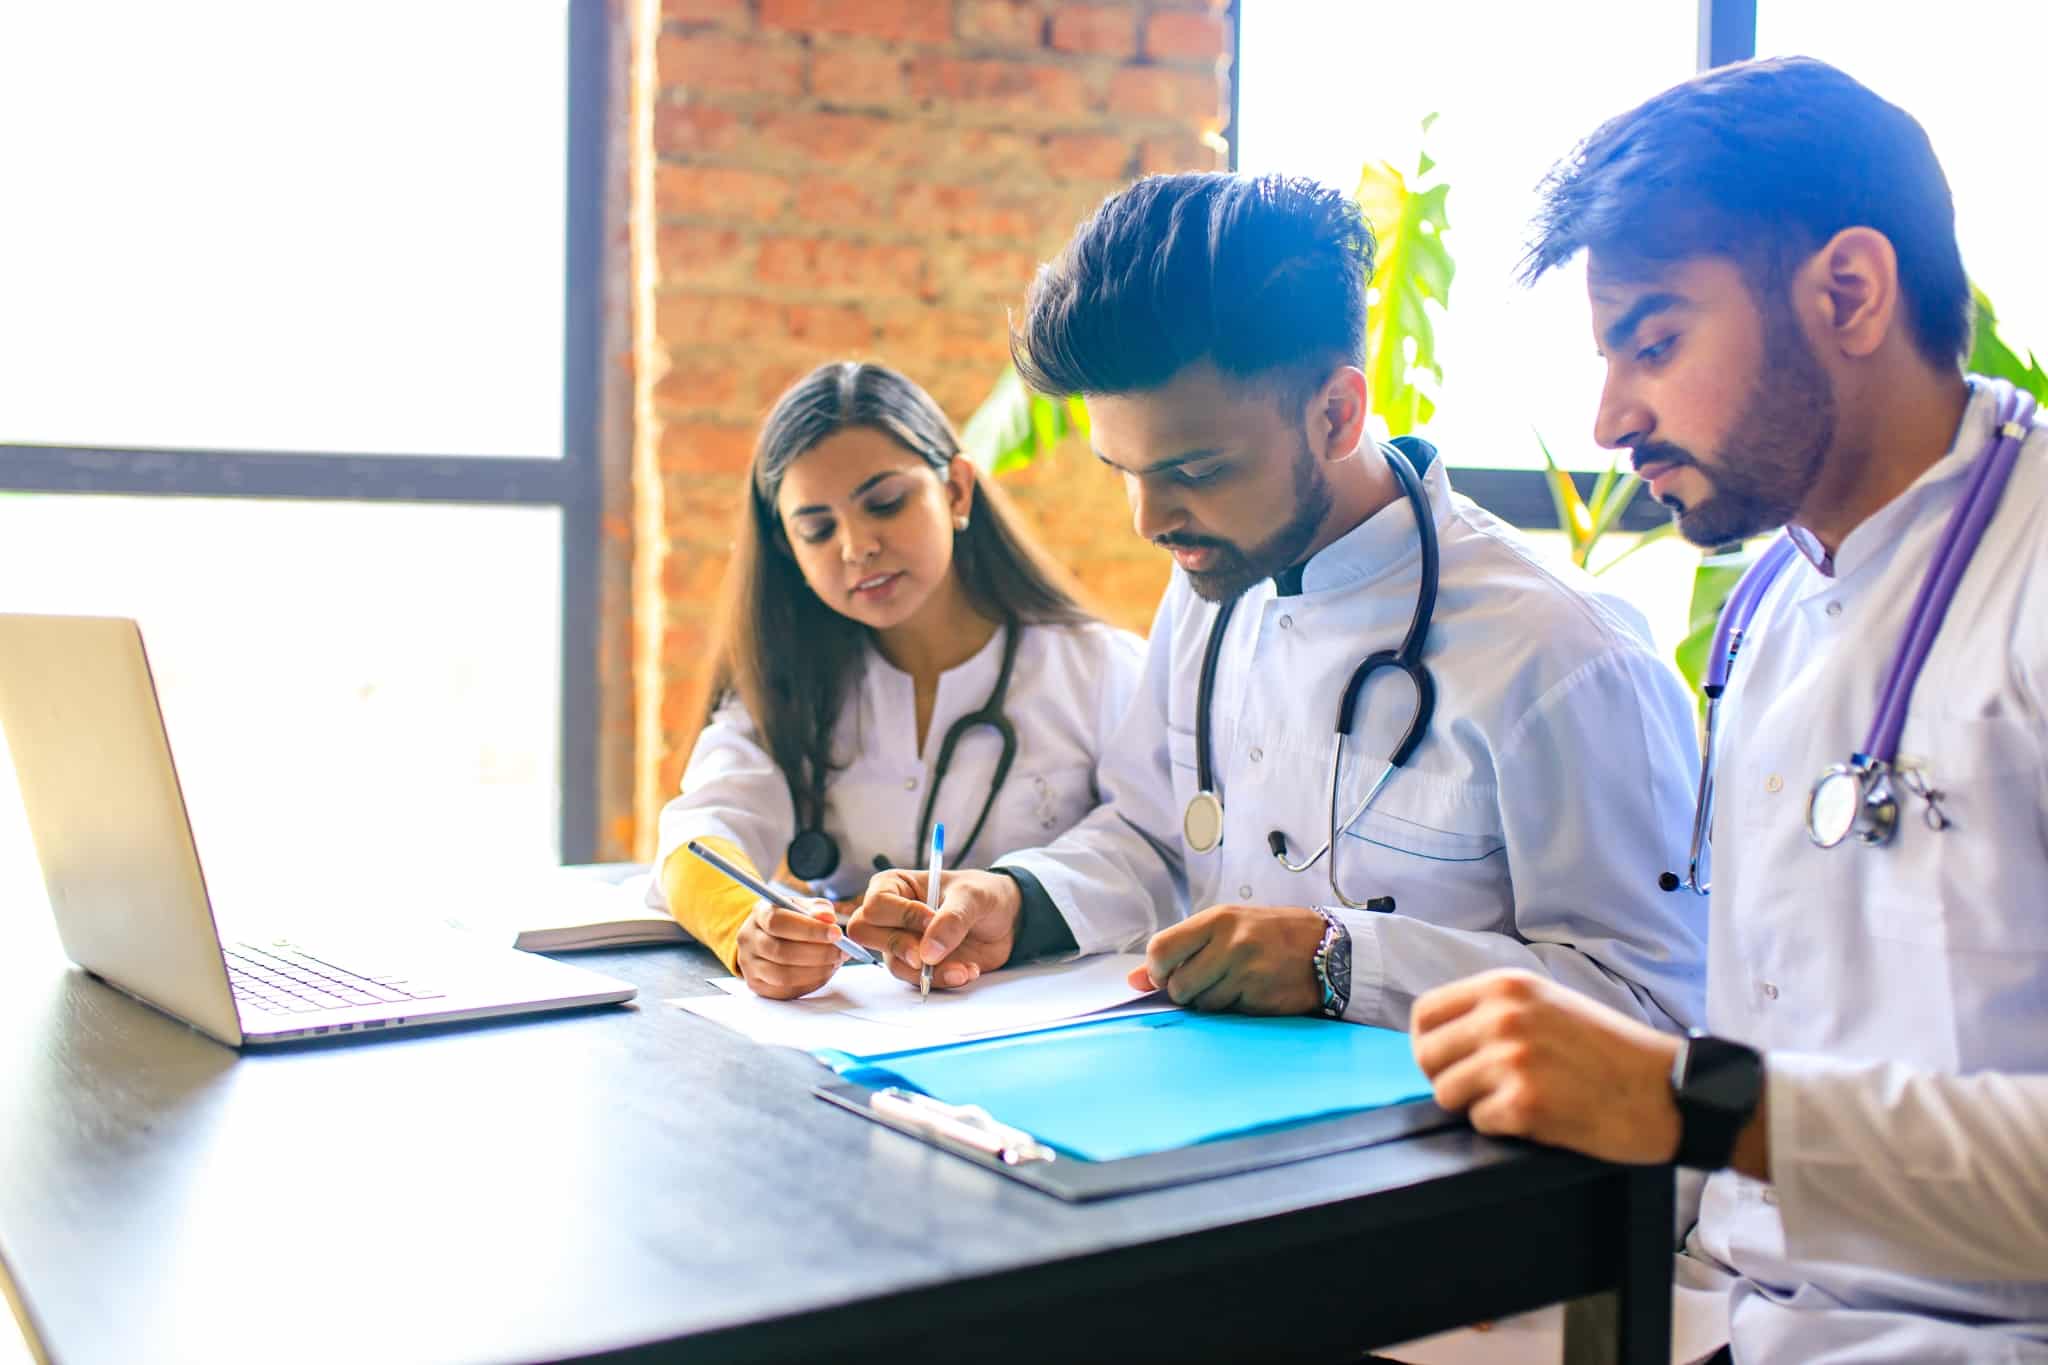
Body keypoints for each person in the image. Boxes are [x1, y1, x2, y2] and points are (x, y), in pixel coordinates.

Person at [1409, 57, 2048, 1361]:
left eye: (1656, 341)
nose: (1610, 418)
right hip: (1752, 1319)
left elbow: (1727, 1098)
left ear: (1849, 294)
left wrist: (1699, 1105)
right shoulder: (1762, 606)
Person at [849, 172, 1706, 1040]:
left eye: (1196, 471)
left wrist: (1342, 962)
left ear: (1336, 413)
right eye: (1125, 474)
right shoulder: (1212, 583)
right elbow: (1154, 836)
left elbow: (1658, 1004)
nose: (1150, 521)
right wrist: (1016, 900)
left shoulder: (1563, 653)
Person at [650, 361, 1144, 999]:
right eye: (817, 529)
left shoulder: (1099, 671)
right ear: (788, 550)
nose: (857, 547)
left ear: (957, 491)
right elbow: (698, 835)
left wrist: (1022, 901)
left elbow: (1155, 855)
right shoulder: (785, 685)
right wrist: (750, 930)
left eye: (885, 504)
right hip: (853, 1040)